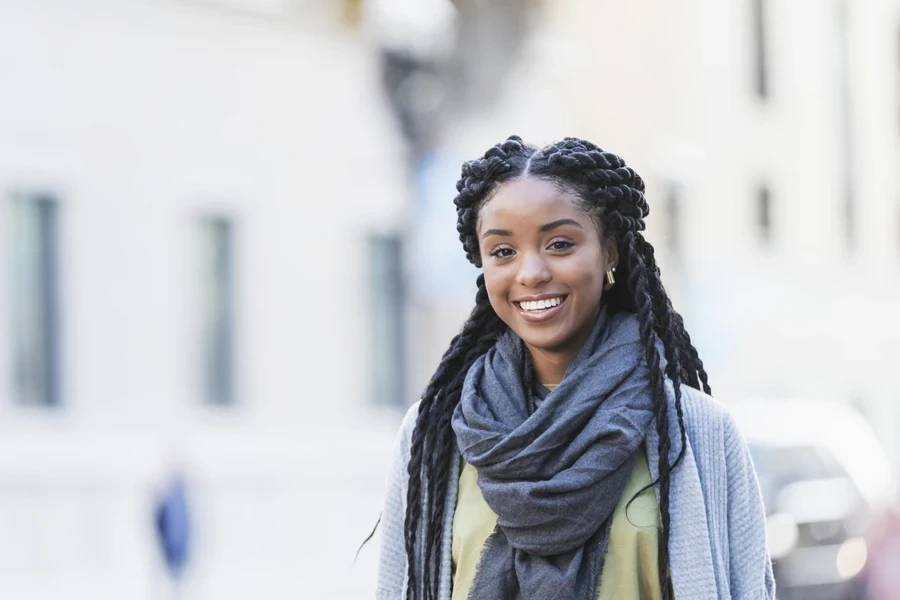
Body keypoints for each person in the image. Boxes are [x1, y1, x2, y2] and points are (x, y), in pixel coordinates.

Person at [376, 136, 775, 600]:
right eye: (503, 252)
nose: (531, 273)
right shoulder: (433, 436)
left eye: (560, 244)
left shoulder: (698, 432)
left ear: (609, 252)